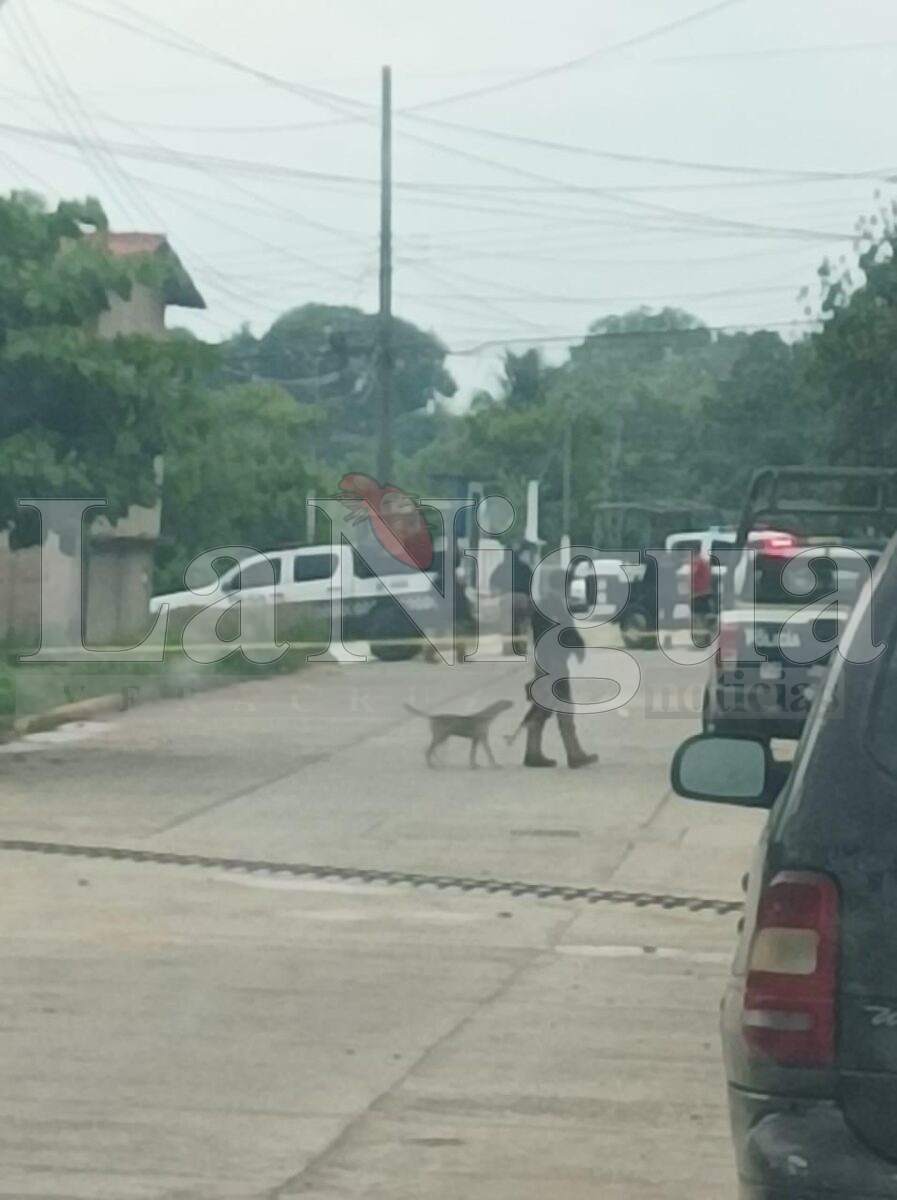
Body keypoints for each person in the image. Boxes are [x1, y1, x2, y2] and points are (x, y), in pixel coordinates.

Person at [521, 569, 599, 770]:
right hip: (554, 664)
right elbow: (565, 632)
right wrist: (578, 648)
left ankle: (533, 751)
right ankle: (574, 753)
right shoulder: (555, 605)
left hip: (544, 662)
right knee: (563, 708)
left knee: (542, 708)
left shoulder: (542, 604)